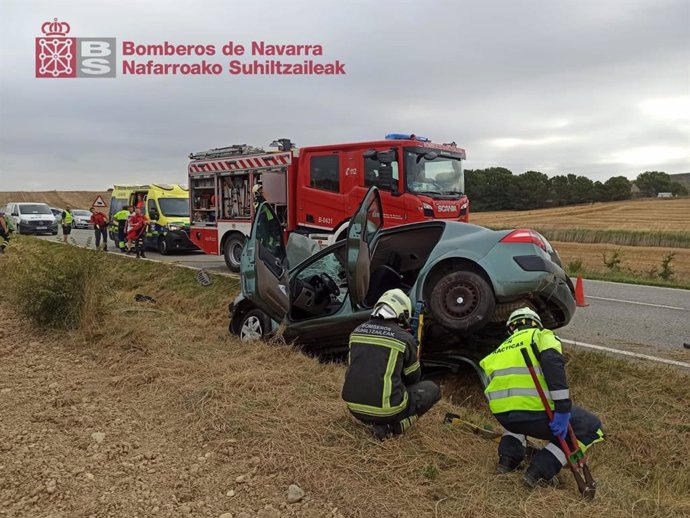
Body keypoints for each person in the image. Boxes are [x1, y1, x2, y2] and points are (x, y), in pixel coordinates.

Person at [479, 307, 605, 487]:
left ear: (510, 329)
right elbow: (553, 364)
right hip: (535, 413)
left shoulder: (497, 352)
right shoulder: (541, 336)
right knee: (592, 427)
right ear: (536, 324)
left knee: (518, 414)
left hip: (504, 417)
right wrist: (562, 409)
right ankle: (539, 470)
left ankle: (508, 459)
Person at [342, 289, 441, 440]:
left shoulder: (356, 332)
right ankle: (393, 428)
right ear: (402, 313)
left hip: (354, 409)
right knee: (433, 390)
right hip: (387, 411)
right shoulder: (404, 339)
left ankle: (377, 419)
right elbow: (413, 379)